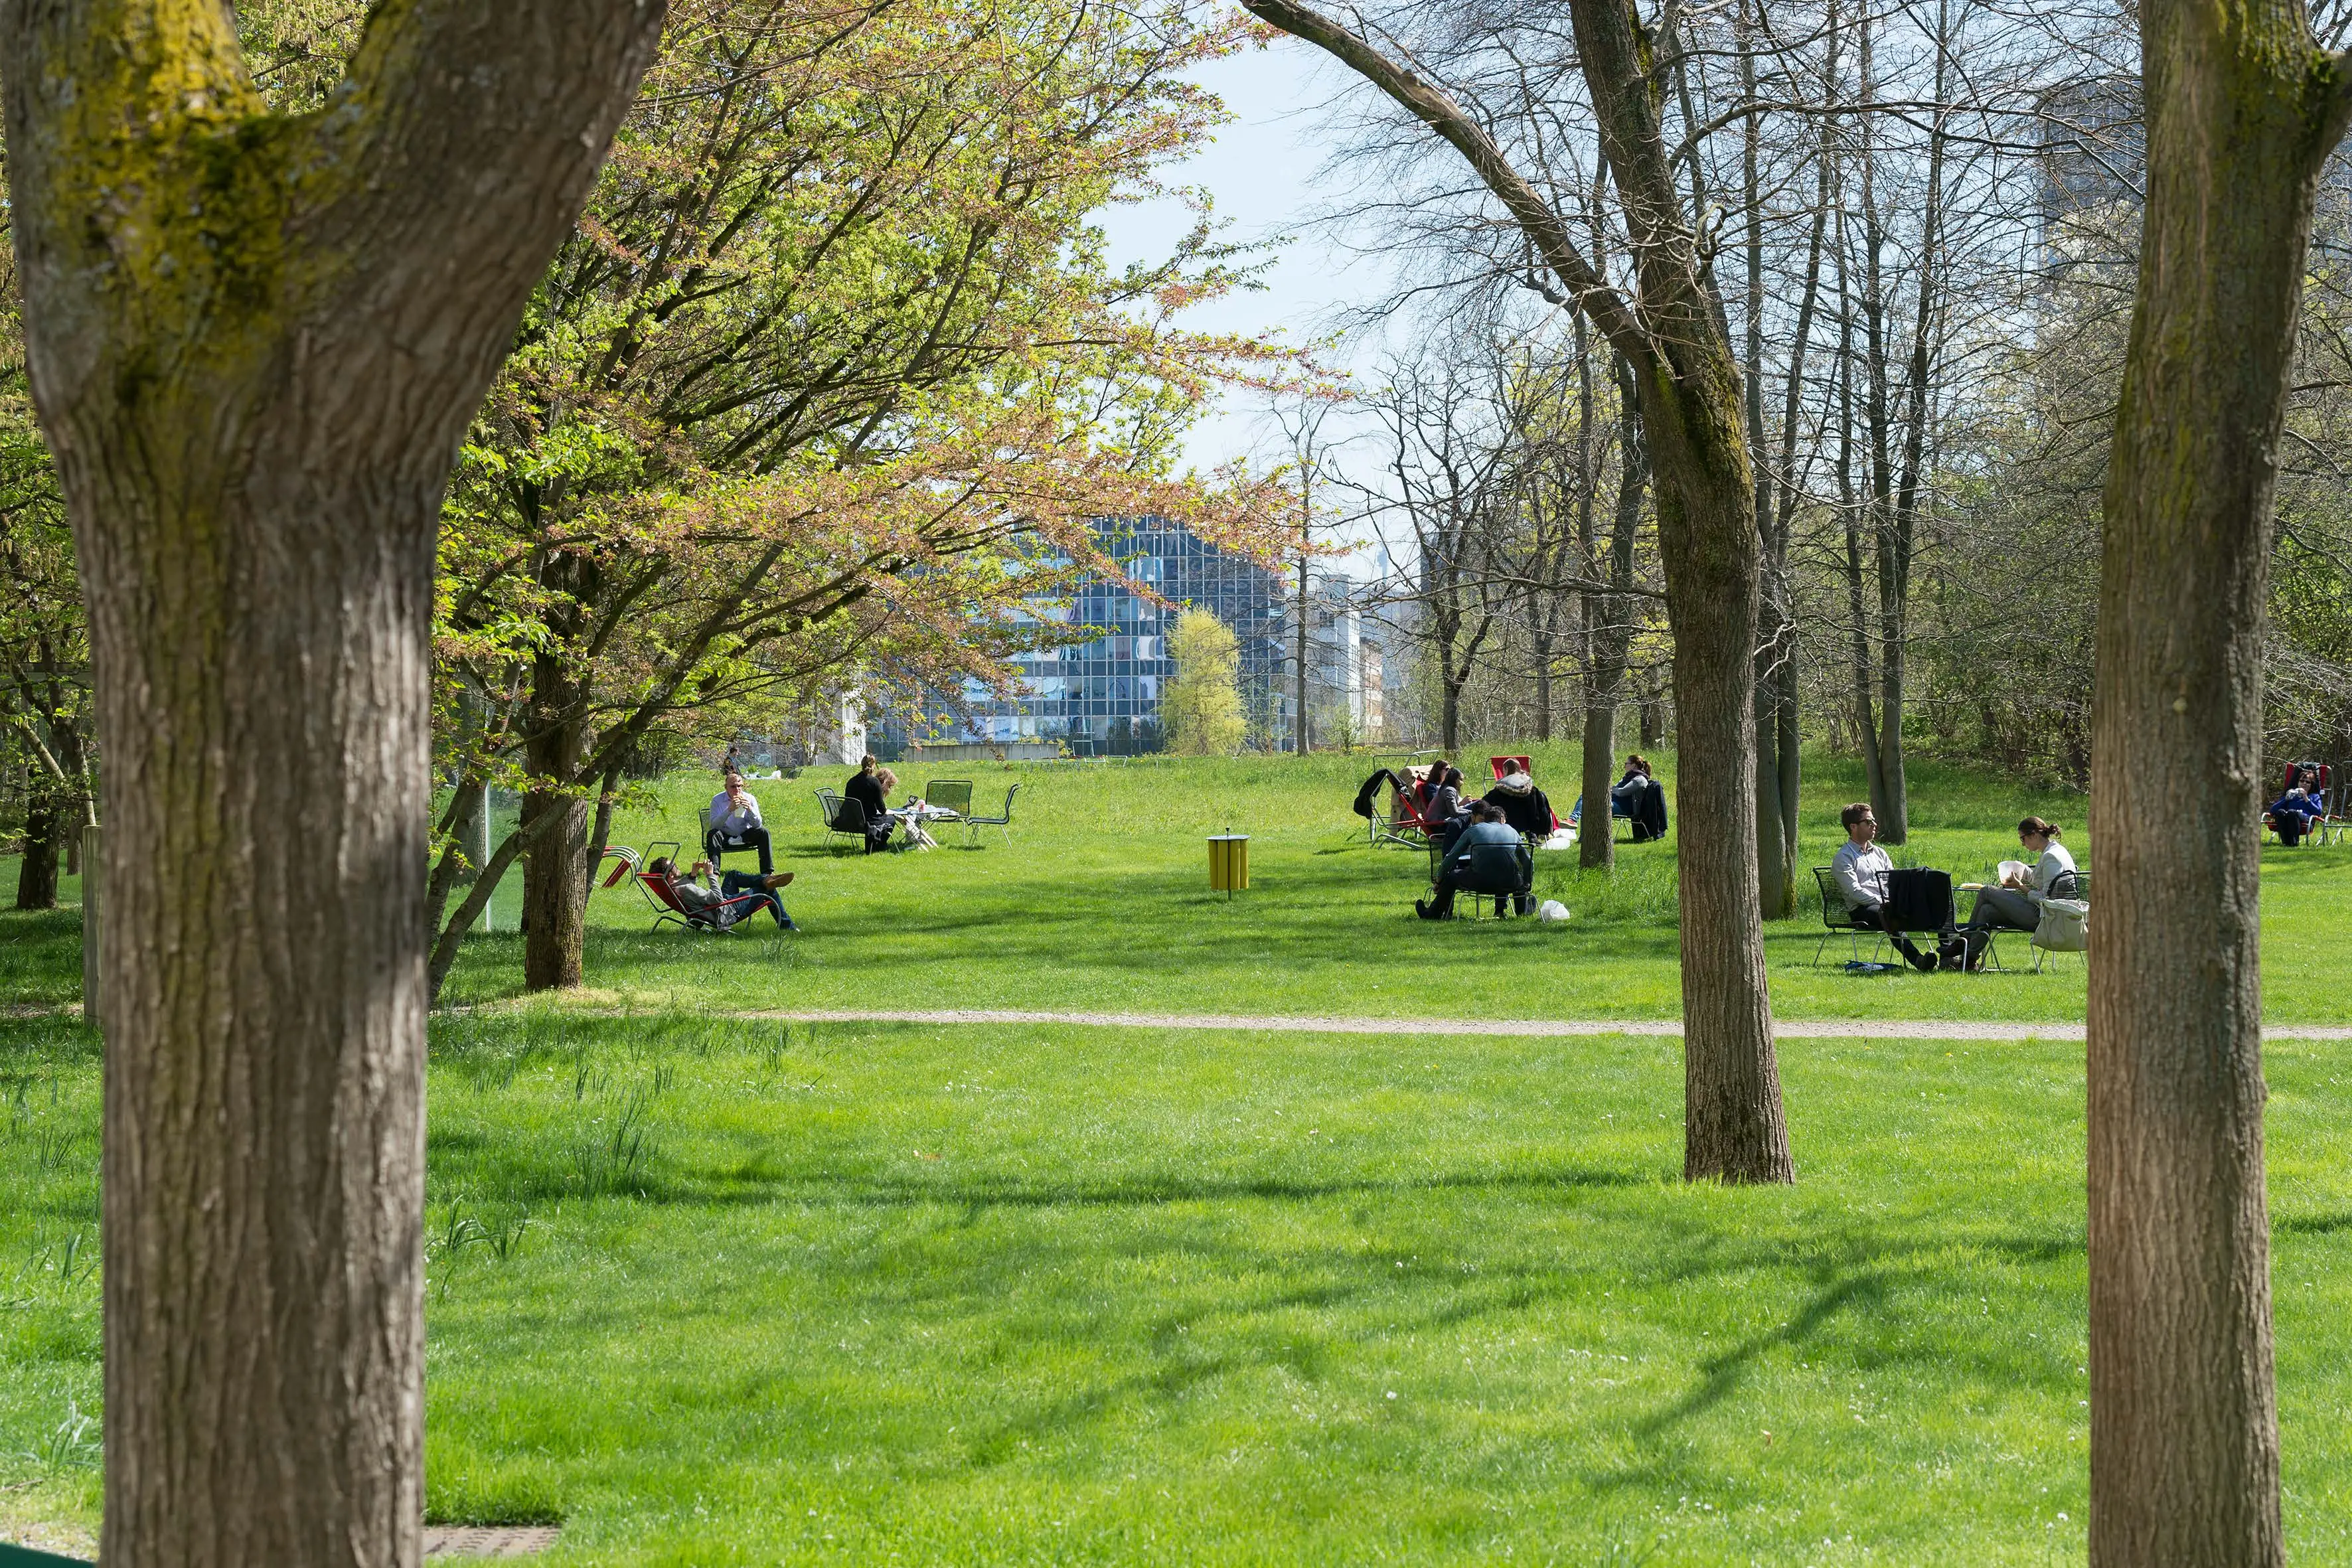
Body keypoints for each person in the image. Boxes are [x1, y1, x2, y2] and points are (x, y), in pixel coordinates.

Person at [1831, 802, 1948, 971]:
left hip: (1888, 904)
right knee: (1888, 913)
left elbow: (1894, 882)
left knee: (1937, 902)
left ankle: (1948, 957)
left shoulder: (1880, 853)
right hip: (1863, 909)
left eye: (1874, 821)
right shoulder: (1843, 858)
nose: (1874, 825)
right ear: (1853, 827)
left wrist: (1902, 898)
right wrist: (1882, 902)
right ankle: (1918, 960)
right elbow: (1854, 892)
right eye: (1869, 822)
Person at [1959, 816, 2078, 971]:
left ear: (2034, 835)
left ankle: (1962, 942)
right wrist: (2025, 871)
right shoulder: (2055, 851)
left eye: (2023, 839)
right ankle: (1968, 961)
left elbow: (2046, 899)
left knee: (1987, 891)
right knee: (1986, 911)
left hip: (2048, 919)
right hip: (2049, 914)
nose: (2022, 844)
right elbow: (2045, 884)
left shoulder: (2052, 857)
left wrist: (2021, 887)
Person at [1417, 801, 1531, 919]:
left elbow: (1450, 857)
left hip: (1479, 882)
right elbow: (1528, 860)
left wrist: (1439, 880)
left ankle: (1432, 914)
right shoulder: (1512, 831)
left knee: (1452, 877)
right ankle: (1522, 913)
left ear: (1485, 819)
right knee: (1517, 877)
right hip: (1509, 883)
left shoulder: (1474, 830)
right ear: (1502, 820)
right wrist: (1527, 882)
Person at [646, 856, 796, 930]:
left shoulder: (674, 888)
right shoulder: (685, 889)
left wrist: (692, 875)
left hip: (718, 907)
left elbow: (692, 900)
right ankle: (787, 925)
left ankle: (767, 879)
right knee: (768, 890)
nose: (676, 865)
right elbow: (717, 899)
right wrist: (710, 875)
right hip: (726, 911)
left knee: (732, 875)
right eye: (673, 865)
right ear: (670, 875)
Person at [705, 771, 774, 874]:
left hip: (745, 834)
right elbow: (714, 826)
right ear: (726, 787)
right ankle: (714, 873)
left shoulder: (750, 798)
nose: (737, 790)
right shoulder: (717, 800)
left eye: (739, 786)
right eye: (733, 787)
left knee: (764, 832)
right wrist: (729, 810)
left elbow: (758, 825)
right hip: (725, 835)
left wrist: (750, 809)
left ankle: (768, 873)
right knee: (712, 834)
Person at [1484, 767, 1556, 839]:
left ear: (1506, 769)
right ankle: (1532, 835)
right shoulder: (1534, 791)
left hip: (1507, 823)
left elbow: (1485, 803)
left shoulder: (1498, 792)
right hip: (1531, 823)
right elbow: (1543, 810)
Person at [1611, 754, 1670, 842]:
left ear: (1633, 765)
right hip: (1617, 803)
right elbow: (1616, 789)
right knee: (1585, 799)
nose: (1624, 766)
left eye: (1626, 763)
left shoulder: (1639, 780)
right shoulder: (1627, 778)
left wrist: (1612, 790)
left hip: (1625, 808)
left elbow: (1622, 792)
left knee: (1598, 806)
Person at [844, 755, 896, 852]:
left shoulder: (851, 781)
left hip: (850, 820)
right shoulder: (874, 782)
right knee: (891, 819)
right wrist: (888, 811)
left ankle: (875, 843)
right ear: (873, 765)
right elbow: (882, 809)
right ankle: (880, 846)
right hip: (867, 821)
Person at [2267, 769, 2325, 846]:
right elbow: (2273, 810)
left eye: (2308, 782)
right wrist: (2286, 799)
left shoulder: (2314, 796)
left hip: (2306, 819)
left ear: (2311, 785)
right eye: (2302, 781)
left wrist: (2307, 799)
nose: (2304, 783)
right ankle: (2286, 843)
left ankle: (2294, 843)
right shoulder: (2291, 795)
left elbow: (2318, 812)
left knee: (2292, 812)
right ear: (2298, 782)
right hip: (2288, 818)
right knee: (2281, 812)